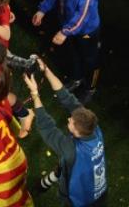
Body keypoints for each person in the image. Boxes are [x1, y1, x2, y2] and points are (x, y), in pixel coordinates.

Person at [24, 58, 107, 206]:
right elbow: (66, 97)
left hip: (80, 200)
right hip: (99, 189)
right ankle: (43, 185)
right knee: (64, 167)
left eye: (71, 123)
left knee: (66, 174)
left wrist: (35, 93)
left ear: (77, 133)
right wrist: (46, 69)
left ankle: (43, 186)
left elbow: (46, 126)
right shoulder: (93, 128)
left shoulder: (71, 151)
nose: (69, 119)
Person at [32, 0, 102, 102]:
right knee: (74, 53)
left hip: (86, 31)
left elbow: (83, 13)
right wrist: (42, 10)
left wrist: (65, 32)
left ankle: (89, 88)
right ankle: (76, 78)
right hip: (68, 26)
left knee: (89, 59)